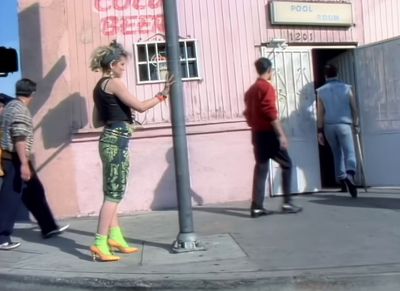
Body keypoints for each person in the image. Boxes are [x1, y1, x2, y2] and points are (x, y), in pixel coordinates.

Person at [89, 40, 173, 262]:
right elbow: (141, 106)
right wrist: (162, 94)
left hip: (108, 139)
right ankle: (99, 243)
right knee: (114, 195)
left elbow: (97, 121)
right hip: (117, 143)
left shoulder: (98, 87)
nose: (124, 69)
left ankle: (115, 238)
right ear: (114, 64)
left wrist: (121, 119)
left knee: (111, 193)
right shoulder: (114, 83)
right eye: (123, 65)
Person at [0, 80, 69, 251]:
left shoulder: (10, 106)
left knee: (35, 191)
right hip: (15, 159)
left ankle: (48, 227)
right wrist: (24, 163)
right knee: (11, 198)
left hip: (16, 158)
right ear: (32, 94)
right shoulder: (20, 110)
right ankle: (2, 237)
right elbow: (20, 137)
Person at [244, 57, 302, 218]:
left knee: (261, 169)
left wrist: (254, 123)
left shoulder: (251, 90)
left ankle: (256, 206)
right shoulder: (266, 88)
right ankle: (287, 203)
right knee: (287, 164)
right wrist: (281, 134)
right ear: (269, 70)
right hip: (269, 134)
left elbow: (247, 114)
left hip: (257, 134)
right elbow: (270, 112)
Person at [316, 64, 359, 198]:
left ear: (325, 75)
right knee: (349, 152)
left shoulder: (321, 91)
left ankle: (342, 182)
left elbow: (320, 113)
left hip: (329, 126)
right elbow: (354, 108)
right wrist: (356, 124)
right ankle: (350, 174)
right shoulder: (346, 88)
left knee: (337, 153)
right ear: (337, 73)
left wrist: (320, 131)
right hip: (344, 124)